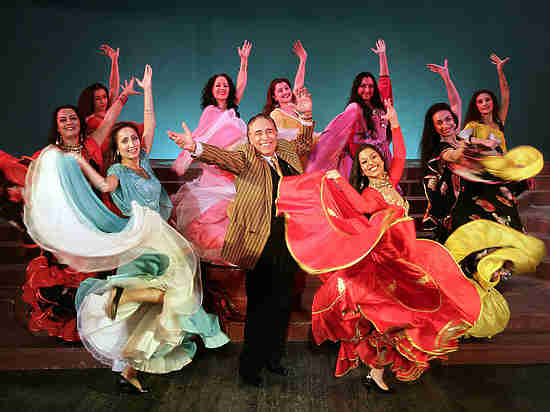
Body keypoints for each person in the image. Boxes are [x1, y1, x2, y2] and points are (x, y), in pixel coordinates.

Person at [24, 65, 229, 393]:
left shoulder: (144, 161)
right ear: (117, 148)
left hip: (158, 231)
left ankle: (129, 367)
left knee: (159, 302)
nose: (133, 143)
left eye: (134, 139)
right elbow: (104, 185)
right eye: (125, 141)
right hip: (145, 233)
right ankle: (171, 315)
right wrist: (79, 162)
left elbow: (150, 123)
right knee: (182, 287)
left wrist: (147, 90)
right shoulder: (118, 170)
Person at [276, 100, 481, 391]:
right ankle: (376, 370)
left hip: (409, 256)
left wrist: (395, 123)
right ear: (361, 170)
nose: (371, 163)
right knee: (393, 317)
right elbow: (360, 207)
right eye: (364, 162)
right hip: (390, 263)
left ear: (382, 159)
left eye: (373, 157)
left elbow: (401, 154)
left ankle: (376, 371)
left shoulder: (391, 181)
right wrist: (338, 180)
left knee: (412, 312)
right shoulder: (371, 194)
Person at [168, 88, 314, 388]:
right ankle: (250, 367)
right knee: (259, 307)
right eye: (257, 133)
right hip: (257, 242)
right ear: (250, 138)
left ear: (276, 133)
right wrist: (195, 146)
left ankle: (274, 358)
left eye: (269, 131)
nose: (265, 137)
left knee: (282, 303)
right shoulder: (246, 156)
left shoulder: (285, 150)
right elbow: (223, 157)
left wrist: (307, 116)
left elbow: (303, 143)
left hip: (287, 238)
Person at [20, 79, 139, 342]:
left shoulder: (90, 147)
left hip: (92, 219)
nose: (69, 122)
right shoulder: (47, 154)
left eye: (72, 118)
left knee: (102, 269)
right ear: (57, 126)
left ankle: (100, 323)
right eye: (63, 120)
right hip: (63, 226)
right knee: (69, 274)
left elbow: (109, 121)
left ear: (80, 122)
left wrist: (123, 97)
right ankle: (74, 325)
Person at [420, 102, 545, 339]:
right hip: (458, 209)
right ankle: (466, 309)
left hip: (477, 201)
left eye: (448, 119)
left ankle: (483, 297)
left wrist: (515, 176)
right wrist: (469, 142)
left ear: (455, 120)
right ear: (434, 127)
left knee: (499, 213)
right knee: (467, 249)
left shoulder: (467, 141)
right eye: (439, 122)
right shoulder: (442, 148)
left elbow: (489, 168)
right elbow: (454, 156)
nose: (445, 125)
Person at [170, 40, 252, 265]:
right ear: (211, 90)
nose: (222, 88)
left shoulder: (232, 110)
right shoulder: (210, 111)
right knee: (215, 218)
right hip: (216, 172)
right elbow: (202, 136)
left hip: (234, 172)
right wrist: (187, 150)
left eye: (225, 85)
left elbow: (241, 85)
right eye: (218, 85)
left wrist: (244, 62)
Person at [305, 39, 395, 179]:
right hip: (362, 162)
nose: (367, 90)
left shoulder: (382, 105)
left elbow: (385, 82)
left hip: (383, 158)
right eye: (363, 86)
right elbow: (336, 131)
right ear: (356, 88)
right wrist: (320, 138)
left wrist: (382, 56)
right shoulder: (354, 108)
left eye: (371, 86)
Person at [462, 53, 510, 153]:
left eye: (487, 100)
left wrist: (500, 70)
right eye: (480, 102)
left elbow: (505, 94)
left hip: (502, 162)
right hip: (483, 162)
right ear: (476, 106)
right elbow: (461, 137)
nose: (484, 104)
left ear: (493, 102)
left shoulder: (499, 121)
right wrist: (483, 141)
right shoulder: (473, 125)